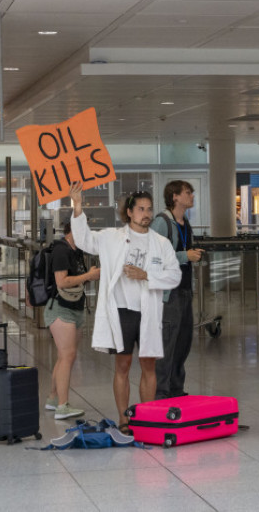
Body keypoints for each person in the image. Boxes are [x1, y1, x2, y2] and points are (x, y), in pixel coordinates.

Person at [69, 182, 181, 428]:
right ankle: (124, 418)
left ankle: (147, 417)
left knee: (149, 364)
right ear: (129, 212)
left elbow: (175, 276)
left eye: (149, 209)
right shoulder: (112, 238)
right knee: (123, 363)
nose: (147, 214)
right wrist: (77, 207)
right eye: (141, 209)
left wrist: (147, 276)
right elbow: (84, 240)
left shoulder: (161, 243)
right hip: (122, 309)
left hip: (149, 310)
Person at [150, 180, 204, 400]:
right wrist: (185, 256)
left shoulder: (184, 223)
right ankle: (160, 393)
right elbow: (154, 257)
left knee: (182, 343)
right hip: (168, 294)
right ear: (175, 197)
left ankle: (176, 389)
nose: (192, 196)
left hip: (184, 290)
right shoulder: (162, 223)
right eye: (187, 192)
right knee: (167, 344)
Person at [44, 219, 100, 420]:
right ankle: (62, 406)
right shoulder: (61, 251)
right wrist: (89, 276)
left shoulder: (76, 252)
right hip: (60, 308)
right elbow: (62, 281)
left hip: (74, 307)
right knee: (67, 356)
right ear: (72, 232)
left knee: (65, 356)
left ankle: (53, 398)